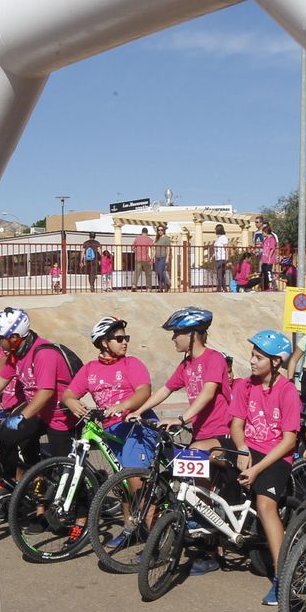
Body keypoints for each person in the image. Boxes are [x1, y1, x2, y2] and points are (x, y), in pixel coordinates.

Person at [62, 316, 157, 547]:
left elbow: (144, 391)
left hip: (137, 427)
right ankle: (130, 530)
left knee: (135, 481)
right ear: (104, 342)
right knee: (121, 484)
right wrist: (72, 403)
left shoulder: (131, 364)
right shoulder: (90, 369)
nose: (125, 342)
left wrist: (122, 406)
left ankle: (155, 537)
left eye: (126, 338)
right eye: (119, 338)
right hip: (111, 431)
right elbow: (68, 394)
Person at [230, 329, 301, 605]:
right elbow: (237, 424)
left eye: (259, 357)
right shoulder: (245, 386)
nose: (252, 361)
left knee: (265, 505)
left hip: (276, 457)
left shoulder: (287, 392)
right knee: (208, 460)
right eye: (252, 355)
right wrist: (241, 448)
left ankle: (283, 577)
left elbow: (289, 441)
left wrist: (257, 469)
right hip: (250, 449)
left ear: (275, 362)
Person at [0, 307, 74, 485]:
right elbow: (0, 381)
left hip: (58, 414)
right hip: (38, 411)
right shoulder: (16, 354)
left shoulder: (43, 353)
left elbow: (46, 392)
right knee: (5, 436)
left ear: (14, 337)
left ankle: (82, 507)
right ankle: (16, 485)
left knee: (64, 470)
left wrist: (22, 416)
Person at [129, 307, 231, 449]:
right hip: (199, 434)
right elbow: (165, 390)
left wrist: (181, 419)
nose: (173, 338)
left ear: (192, 335)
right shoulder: (186, 365)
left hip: (222, 433)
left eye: (176, 332)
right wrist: (138, 411)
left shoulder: (214, 358)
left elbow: (208, 393)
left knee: (193, 454)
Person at [257, 218, 278, 291]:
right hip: (264, 259)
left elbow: (272, 249)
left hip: (269, 259)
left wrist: (269, 258)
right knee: (264, 272)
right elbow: (262, 245)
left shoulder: (272, 239)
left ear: (266, 232)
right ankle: (265, 286)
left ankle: (270, 285)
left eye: (263, 232)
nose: (262, 234)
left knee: (269, 272)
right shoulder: (265, 239)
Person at [153, 223, 173, 292]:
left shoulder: (166, 238)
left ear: (164, 230)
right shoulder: (157, 238)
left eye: (161, 230)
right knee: (158, 273)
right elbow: (155, 249)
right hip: (157, 257)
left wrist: (167, 257)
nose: (160, 231)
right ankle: (161, 287)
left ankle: (167, 284)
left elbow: (168, 248)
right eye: (159, 230)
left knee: (160, 272)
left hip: (162, 257)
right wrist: (153, 257)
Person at [211, 224, 230, 292]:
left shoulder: (224, 237)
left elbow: (226, 248)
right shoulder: (218, 239)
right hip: (218, 258)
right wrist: (213, 256)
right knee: (220, 274)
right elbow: (217, 249)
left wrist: (227, 258)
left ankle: (219, 288)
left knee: (220, 274)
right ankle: (224, 288)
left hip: (222, 258)